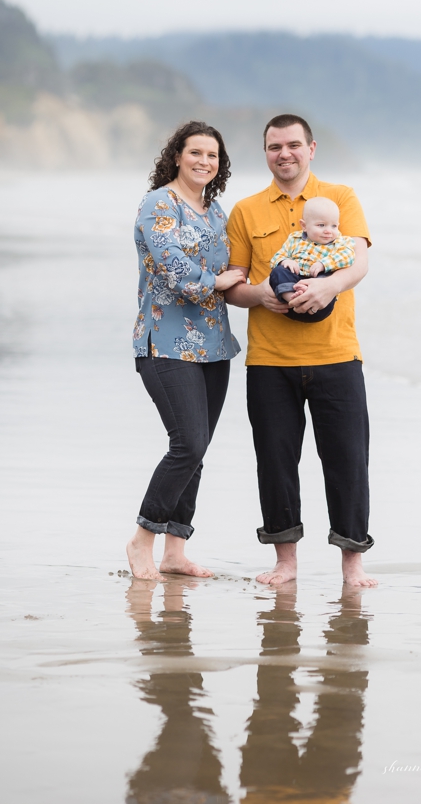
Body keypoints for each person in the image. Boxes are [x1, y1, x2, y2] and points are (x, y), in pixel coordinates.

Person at [222, 114, 378, 587]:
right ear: (265, 152)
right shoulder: (246, 211)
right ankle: (284, 564)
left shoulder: (341, 198)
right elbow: (234, 286)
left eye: (293, 144)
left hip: (337, 354)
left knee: (348, 460)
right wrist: (262, 294)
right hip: (270, 359)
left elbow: (359, 260)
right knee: (274, 459)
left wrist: (328, 288)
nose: (283, 153)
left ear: (311, 149)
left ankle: (353, 565)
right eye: (274, 146)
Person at [126, 121, 246, 580]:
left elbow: (238, 266)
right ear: (177, 155)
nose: (204, 161)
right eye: (195, 152)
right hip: (165, 343)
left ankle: (176, 551)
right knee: (187, 443)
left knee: (199, 450)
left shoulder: (217, 212)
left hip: (214, 347)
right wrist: (214, 283)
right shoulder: (159, 202)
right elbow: (170, 261)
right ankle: (142, 541)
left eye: (212, 155)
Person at [265, 195, 354, 323]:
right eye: (321, 225)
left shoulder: (340, 242)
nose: (328, 231)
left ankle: (305, 297)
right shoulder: (294, 239)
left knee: (327, 278)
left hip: (319, 300)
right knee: (278, 271)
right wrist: (286, 261)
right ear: (304, 225)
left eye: (334, 226)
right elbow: (276, 258)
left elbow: (348, 257)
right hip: (293, 288)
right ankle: (294, 299)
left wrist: (324, 264)